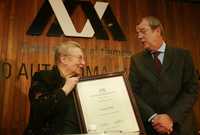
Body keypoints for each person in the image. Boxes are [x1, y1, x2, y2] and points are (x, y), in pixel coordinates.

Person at [129, 16, 199, 135]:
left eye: (143, 31)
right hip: (152, 128)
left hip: (181, 127)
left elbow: (191, 90)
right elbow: (133, 93)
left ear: (157, 31)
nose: (139, 36)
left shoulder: (183, 56)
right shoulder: (136, 60)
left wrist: (170, 117)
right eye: (138, 33)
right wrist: (153, 117)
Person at [24, 41, 85, 135]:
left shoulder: (79, 84)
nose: (83, 63)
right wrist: (65, 89)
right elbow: (39, 109)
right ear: (63, 59)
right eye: (80, 58)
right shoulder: (43, 77)